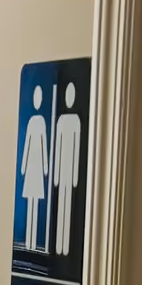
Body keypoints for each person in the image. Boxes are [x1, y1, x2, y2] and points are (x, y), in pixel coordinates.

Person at [51, 79, 83, 258]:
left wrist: (76, 175)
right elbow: (58, 146)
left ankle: (64, 249)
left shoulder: (76, 121)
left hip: (70, 172)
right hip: (62, 171)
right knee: (61, 207)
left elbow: (76, 146)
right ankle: (59, 246)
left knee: (68, 208)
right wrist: (55, 174)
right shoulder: (61, 121)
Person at [19, 83, 50, 253]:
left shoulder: (42, 123)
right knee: (30, 201)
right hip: (31, 168)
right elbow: (27, 146)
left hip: (37, 169)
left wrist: (45, 168)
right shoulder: (32, 122)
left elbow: (44, 146)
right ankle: (29, 242)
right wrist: (23, 167)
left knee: (36, 203)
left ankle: (33, 241)